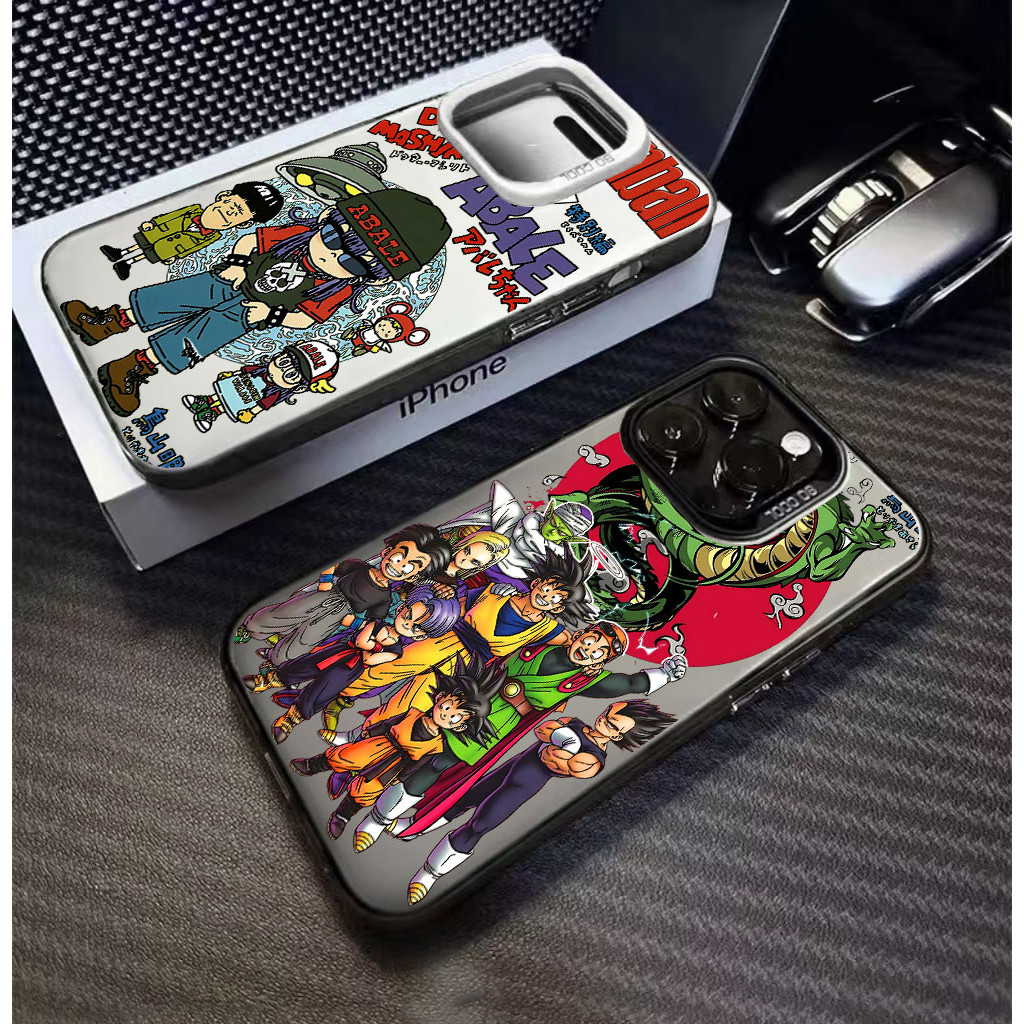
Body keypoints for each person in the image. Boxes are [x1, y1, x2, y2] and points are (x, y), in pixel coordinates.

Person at [60, 189, 451, 417]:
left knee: (193, 341)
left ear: (372, 275)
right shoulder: (298, 233)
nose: (332, 255)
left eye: (353, 262)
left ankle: (131, 368)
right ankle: (106, 322)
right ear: (328, 219)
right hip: (226, 280)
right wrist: (237, 262)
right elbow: (253, 239)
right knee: (170, 300)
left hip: (247, 316)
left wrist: (273, 313)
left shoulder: (339, 290)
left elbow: (306, 319)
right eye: (333, 238)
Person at [350, 621, 688, 850]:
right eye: (589, 640)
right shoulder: (544, 639)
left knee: (437, 765)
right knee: (401, 740)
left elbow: (630, 683)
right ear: (581, 634)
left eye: (599, 651)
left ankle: (378, 820)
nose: (588, 649)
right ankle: (354, 783)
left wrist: (666, 673)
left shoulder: (584, 681)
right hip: (463, 700)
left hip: (491, 728)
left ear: (601, 662)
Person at [405, 700, 675, 902]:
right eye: (606, 713)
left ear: (618, 736)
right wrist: (565, 737)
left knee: (480, 824)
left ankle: (429, 875)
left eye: (611, 724)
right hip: (506, 770)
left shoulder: (594, 759)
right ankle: (415, 826)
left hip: (522, 786)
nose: (602, 720)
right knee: (463, 798)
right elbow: (544, 730)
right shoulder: (575, 724)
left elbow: (556, 760)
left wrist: (565, 743)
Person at [288, 655, 504, 840]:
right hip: (379, 743)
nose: (445, 714)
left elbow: (417, 764)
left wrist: (400, 777)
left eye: (454, 717)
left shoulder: (437, 745)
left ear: (460, 726)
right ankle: (312, 765)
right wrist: (371, 731)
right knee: (346, 756)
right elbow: (388, 723)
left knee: (367, 790)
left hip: (393, 765)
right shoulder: (413, 714)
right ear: (439, 698)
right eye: (446, 707)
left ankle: (343, 815)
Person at [259, 585, 461, 744]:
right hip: (338, 651)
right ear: (402, 609)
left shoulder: (396, 650)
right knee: (304, 665)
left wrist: (370, 645)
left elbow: (369, 659)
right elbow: (361, 641)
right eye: (408, 616)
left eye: (416, 627)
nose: (408, 624)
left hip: (349, 670)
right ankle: (268, 680)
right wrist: (371, 645)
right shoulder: (379, 624)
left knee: (322, 691)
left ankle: (289, 721)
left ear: (421, 636)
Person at [236, 525, 451, 668]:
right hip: (326, 595)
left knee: (306, 640)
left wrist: (354, 621)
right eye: (399, 557)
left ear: (413, 576)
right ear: (387, 552)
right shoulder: (360, 567)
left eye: (410, 566)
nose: (400, 565)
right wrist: (325, 581)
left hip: (341, 615)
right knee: (286, 613)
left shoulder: (385, 597)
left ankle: (275, 660)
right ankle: (251, 629)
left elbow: (372, 621)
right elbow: (335, 566)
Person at [94, 181, 284, 280]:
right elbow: (172, 216)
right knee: (143, 243)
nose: (229, 212)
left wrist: (177, 256)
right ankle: (121, 252)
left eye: (238, 214)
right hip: (160, 231)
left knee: (149, 254)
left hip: (174, 247)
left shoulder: (213, 236)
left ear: (243, 224)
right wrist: (153, 223)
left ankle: (127, 263)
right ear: (224, 196)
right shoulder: (193, 209)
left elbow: (195, 247)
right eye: (231, 205)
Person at [180, 340, 339, 432]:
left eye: (291, 374)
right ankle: (204, 401)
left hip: (245, 400)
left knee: (227, 405)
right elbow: (247, 369)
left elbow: (263, 404)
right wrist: (232, 373)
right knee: (220, 394)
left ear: (299, 387)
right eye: (284, 361)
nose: (281, 370)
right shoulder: (261, 369)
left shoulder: (274, 393)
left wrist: (251, 412)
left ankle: (211, 412)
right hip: (236, 384)